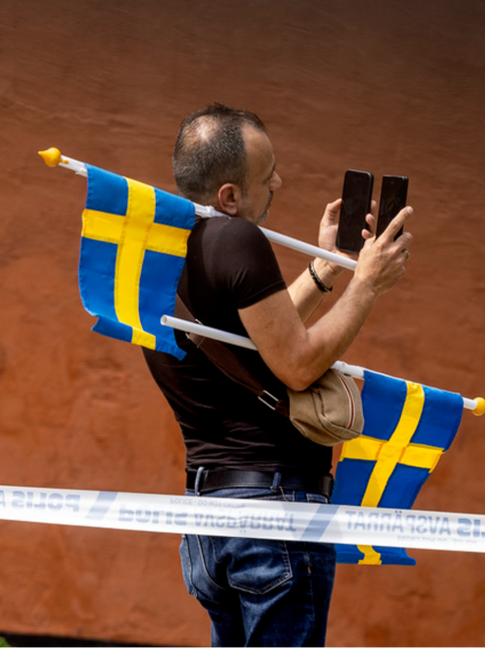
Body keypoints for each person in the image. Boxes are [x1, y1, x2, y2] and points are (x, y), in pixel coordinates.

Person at [142, 104, 412, 648]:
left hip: (207, 518)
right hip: (273, 515)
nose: (280, 184)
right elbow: (296, 363)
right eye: (267, 178)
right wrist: (369, 284)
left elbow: (258, 340)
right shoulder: (239, 238)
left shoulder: (163, 248)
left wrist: (327, 269)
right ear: (229, 198)